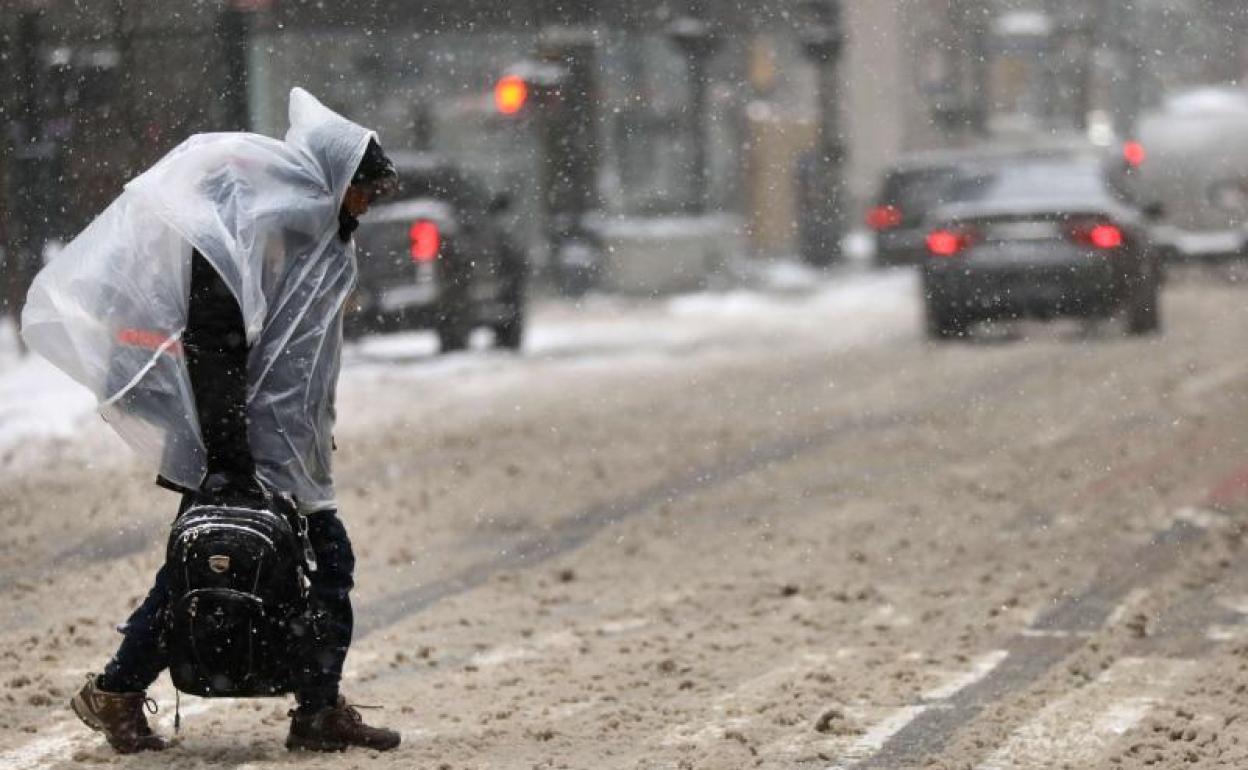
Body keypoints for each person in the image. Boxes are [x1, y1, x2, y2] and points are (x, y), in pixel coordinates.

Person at [21, 88, 401, 754]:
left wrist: (306, 429)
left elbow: (297, 354)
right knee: (276, 565)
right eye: (365, 191)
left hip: (276, 442)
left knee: (216, 570)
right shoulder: (253, 240)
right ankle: (304, 708)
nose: (368, 205)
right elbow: (218, 349)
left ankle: (131, 691)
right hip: (244, 442)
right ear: (337, 184)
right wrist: (229, 457)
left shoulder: (303, 239)